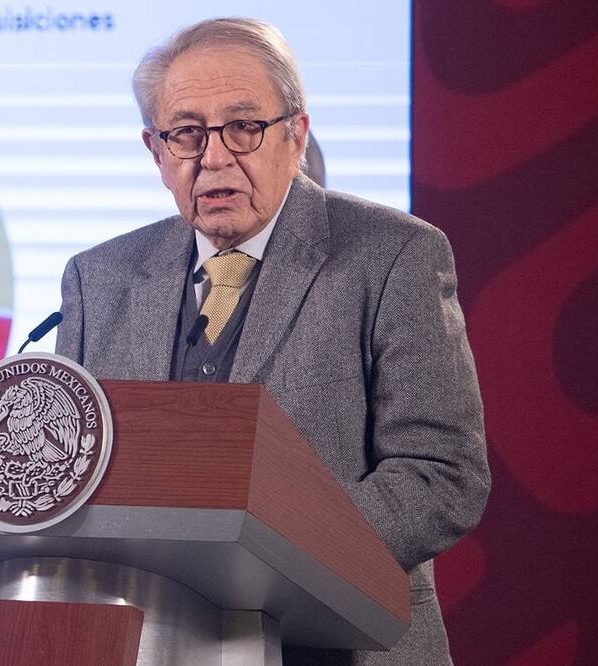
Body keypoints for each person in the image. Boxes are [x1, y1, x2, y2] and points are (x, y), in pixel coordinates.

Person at [55, 17, 490, 665]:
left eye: (243, 126)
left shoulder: (392, 256)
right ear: (156, 152)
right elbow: (70, 480)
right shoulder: (98, 279)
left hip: (340, 640)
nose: (214, 156)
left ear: (295, 136)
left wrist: (273, 561)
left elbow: (440, 474)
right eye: (186, 133)